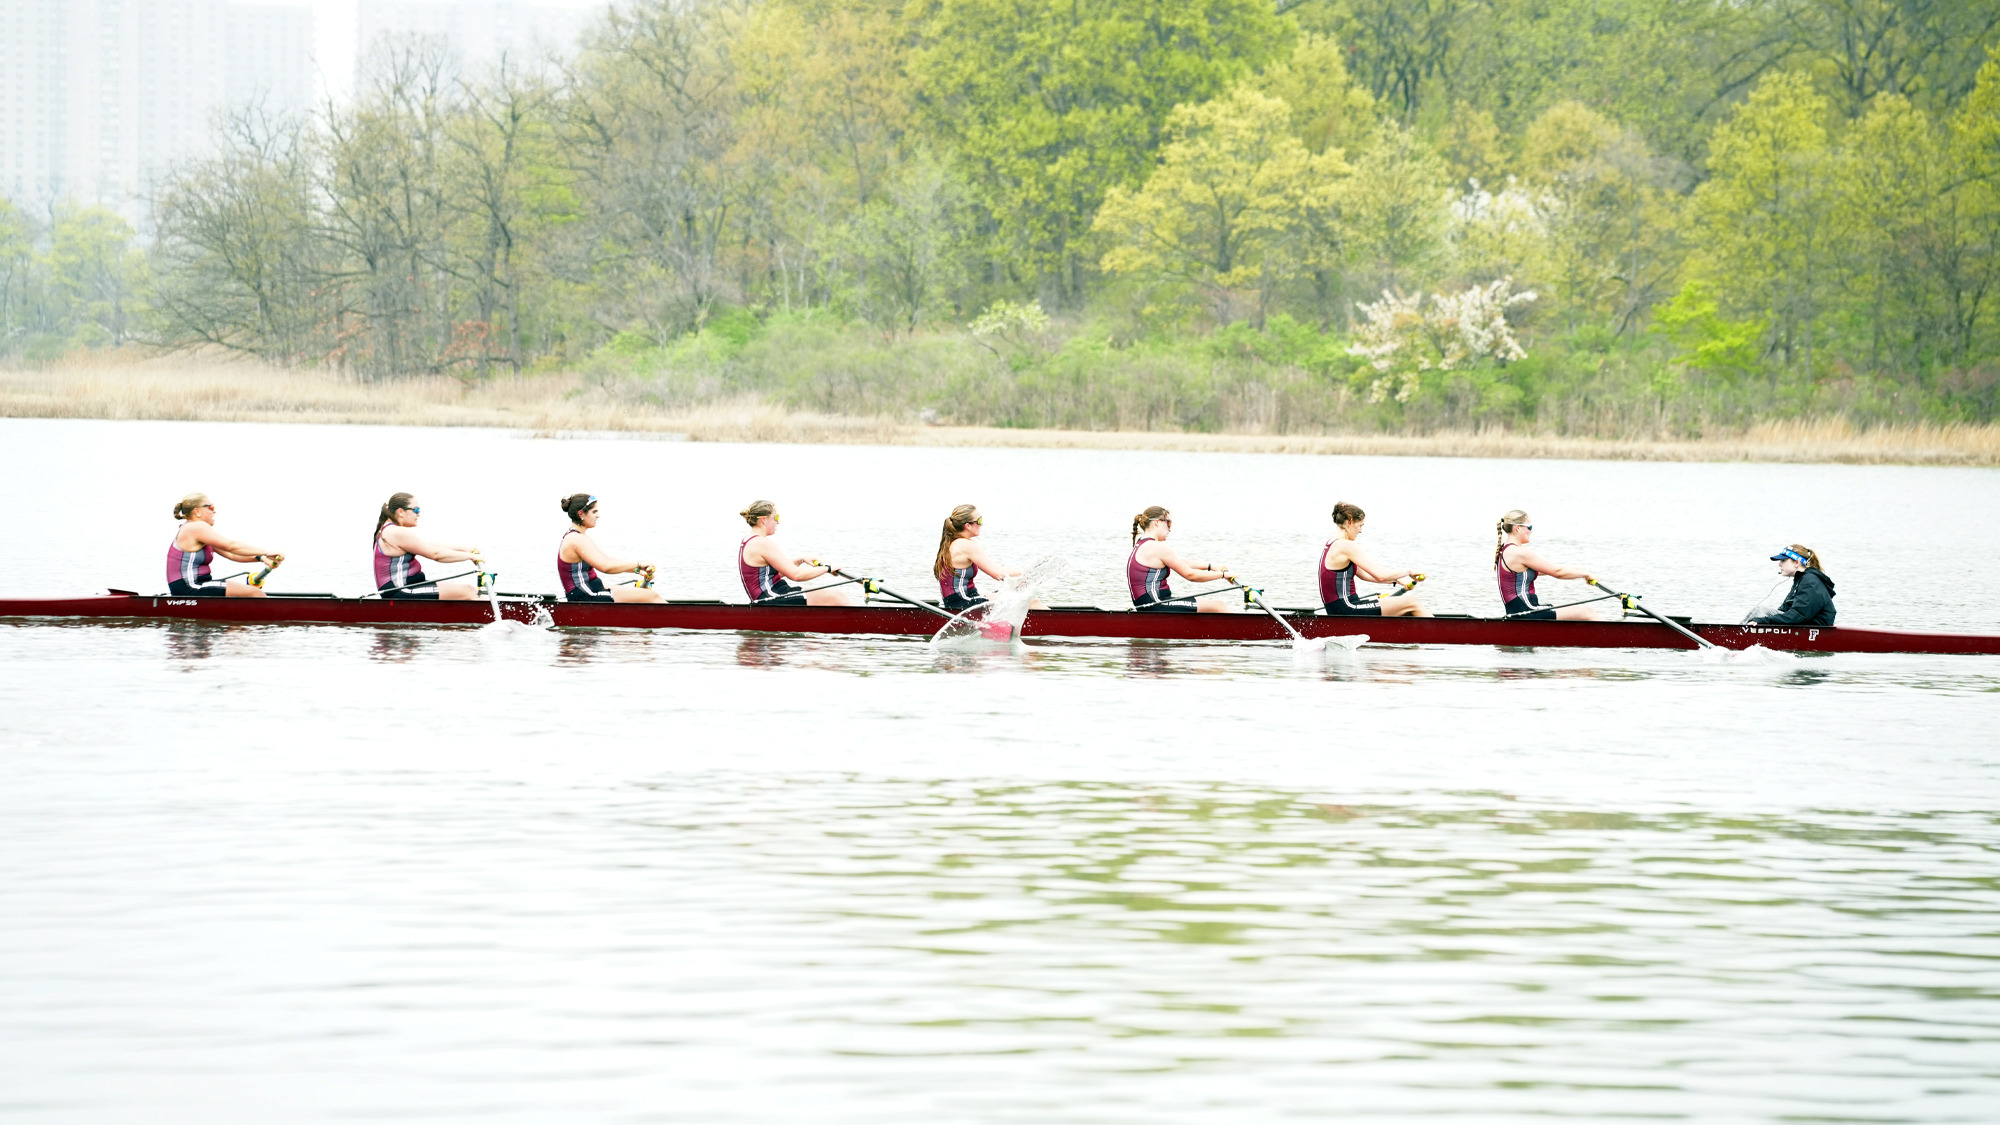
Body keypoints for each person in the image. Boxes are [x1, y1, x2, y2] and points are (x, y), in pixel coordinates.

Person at [1320, 501, 1431, 617]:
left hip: (1340, 608)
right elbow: (1380, 575)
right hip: (1347, 608)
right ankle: (1440, 633)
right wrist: (1409, 571)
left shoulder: (1331, 544)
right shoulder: (1346, 546)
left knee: (1404, 609)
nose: (1361, 531)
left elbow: (1365, 575)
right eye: (1360, 525)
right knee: (1412, 602)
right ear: (1350, 522)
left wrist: (1396, 580)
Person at [737, 500, 858, 606]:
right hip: (772, 597)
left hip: (771, 594)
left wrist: (799, 560)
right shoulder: (762, 543)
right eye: (776, 517)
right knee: (837, 598)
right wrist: (828, 568)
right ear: (764, 519)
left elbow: (767, 575)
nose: (778, 522)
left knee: (827, 596)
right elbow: (796, 575)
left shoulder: (750, 540)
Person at [933, 504, 1046, 613]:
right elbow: (998, 574)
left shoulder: (952, 543)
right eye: (979, 520)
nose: (982, 524)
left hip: (957, 600)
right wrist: (1030, 572)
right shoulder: (967, 545)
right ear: (968, 526)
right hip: (963, 604)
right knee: (1032, 602)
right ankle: (1058, 628)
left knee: (1012, 594)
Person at [166, 492, 282, 598]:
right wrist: (266, 552)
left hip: (195, 585)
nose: (214, 511)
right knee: (255, 594)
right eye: (211, 507)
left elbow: (231, 554)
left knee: (249, 593)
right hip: (189, 587)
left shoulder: (198, 532)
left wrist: (262, 558)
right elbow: (231, 546)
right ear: (197, 511)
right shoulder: (195, 527)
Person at [1127, 505, 1241, 613]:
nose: (1170, 529)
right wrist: (1223, 575)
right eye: (1168, 523)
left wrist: (1211, 567)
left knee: (1203, 607)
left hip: (1150, 604)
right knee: (1219, 606)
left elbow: (1178, 561)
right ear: (1157, 522)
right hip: (1156, 604)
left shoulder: (1143, 543)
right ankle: (1243, 632)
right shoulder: (1157, 547)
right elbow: (1190, 575)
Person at [1493, 509, 1601, 620]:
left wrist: (1576, 570)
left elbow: (1544, 570)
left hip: (1519, 612)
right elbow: (1557, 572)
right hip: (1526, 613)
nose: (1531, 531)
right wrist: (1586, 574)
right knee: (1588, 612)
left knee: (1572, 613)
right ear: (1518, 528)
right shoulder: (1520, 552)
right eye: (1529, 527)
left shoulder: (1505, 550)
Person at [372, 492, 483, 600]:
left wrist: (465, 550)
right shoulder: (396, 532)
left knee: (465, 592)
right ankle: (491, 616)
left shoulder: (389, 529)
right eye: (416, 510)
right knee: (468, 591)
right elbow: (436, 555)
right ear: (401, 512)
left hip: (407, 586)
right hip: (400, 590)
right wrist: (472, 557)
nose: (418, 514)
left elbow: (429, 546)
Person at [557, 493, 662, 603]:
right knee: (652, 596)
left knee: (641, 595)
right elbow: (606, 567)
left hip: (592, 588)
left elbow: (608, 560)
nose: (598, 516)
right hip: (585, 595)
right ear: (581, 513)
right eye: (594, 512)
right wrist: (639, 563)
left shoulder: (579, 536)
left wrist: (636, 570)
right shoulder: (576, 539)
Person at [1751, 545, 1836, 626]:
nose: (1779, 564)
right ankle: (1742, 633)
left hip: (1813, 630)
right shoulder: (1801, 580)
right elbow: (1784, 610)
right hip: (1802, 625)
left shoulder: (1810, 581)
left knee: (1761, 610)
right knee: (1761, 613)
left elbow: (1798, 615)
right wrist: (1763, 620)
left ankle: (1741, 634)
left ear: (1797, 562)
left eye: (1783, 560)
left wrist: (1763, 620)